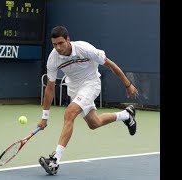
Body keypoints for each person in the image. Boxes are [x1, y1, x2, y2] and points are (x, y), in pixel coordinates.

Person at [37, 26, 139, 175]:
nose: (58, 48)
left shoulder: (84, 49)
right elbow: (50, 88)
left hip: (91, 83)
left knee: (70, 113)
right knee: (94, 123)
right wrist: (44, 117)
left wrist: (128, 84)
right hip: (74, 88)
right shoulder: (53, 58)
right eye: (54, 44)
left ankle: (55, 161)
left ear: (68, 39)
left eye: (61, 43)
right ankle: (126, 115)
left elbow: (110, 65)